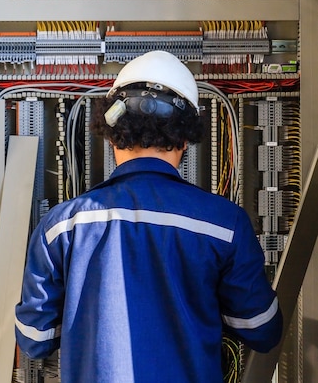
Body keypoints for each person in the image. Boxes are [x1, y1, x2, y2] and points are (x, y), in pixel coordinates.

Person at [15, 50, 283, 383]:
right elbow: (262, 329)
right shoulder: (224, 225)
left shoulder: (61, 227)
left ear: (112, 133)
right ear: (185, 139)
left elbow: (34, 339)